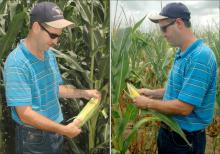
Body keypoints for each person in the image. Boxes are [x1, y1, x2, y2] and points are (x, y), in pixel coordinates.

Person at [3, 2, 101, 154]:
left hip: (54, 132)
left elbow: (55, 89)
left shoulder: (48, 54)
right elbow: (25, 114)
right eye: (53, 35)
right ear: (36, 27)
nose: (56, 42)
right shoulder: (17, 62)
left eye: (59, 36)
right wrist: (63, 130)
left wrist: (84, 93)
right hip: (33, 139)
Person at [133, 2, 217, 154]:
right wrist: (151, 93)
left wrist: (148, 103)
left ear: (178, 23)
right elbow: (180, 91)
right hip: (170, 133)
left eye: (164, 28)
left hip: (184, 140)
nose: (162, 34)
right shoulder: (182, 53)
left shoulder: (200, 57)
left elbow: (184, 107)